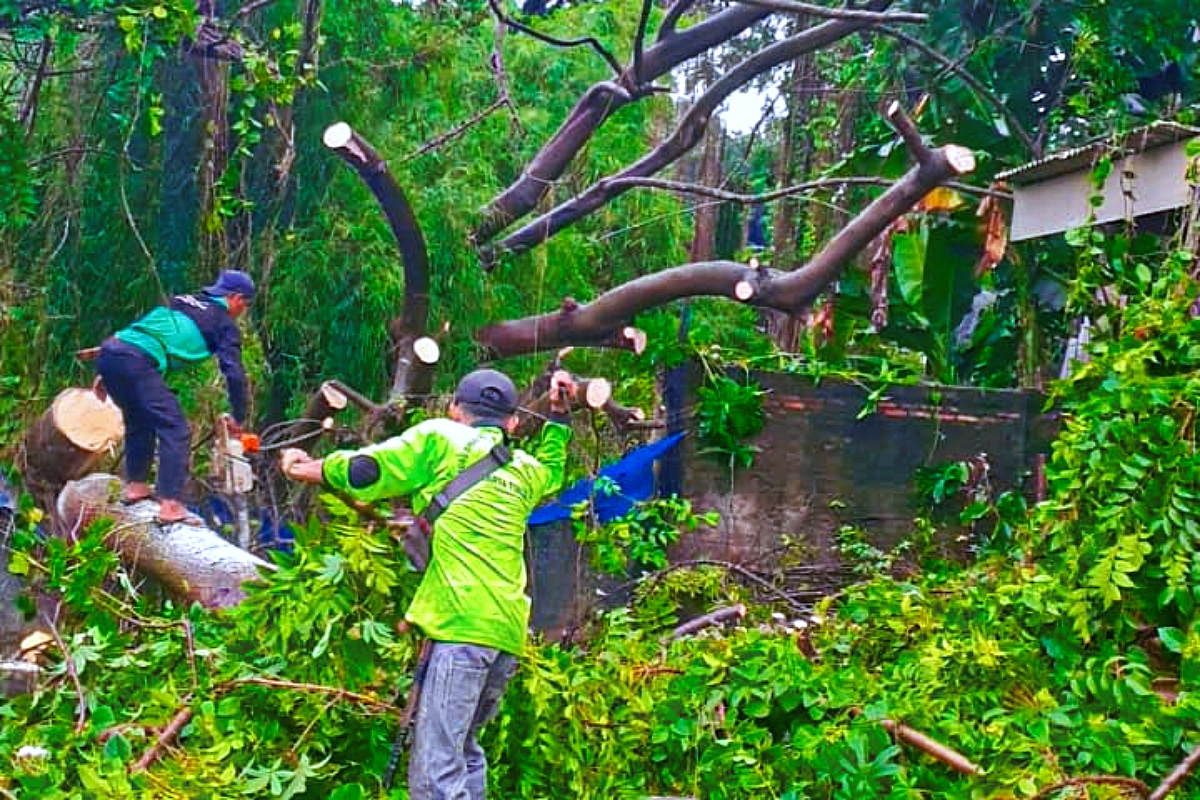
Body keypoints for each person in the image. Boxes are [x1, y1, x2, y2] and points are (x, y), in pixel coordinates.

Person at [279, 368, 574, 800]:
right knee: (465, 752)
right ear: (511, 423)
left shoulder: (439, 438)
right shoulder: (524, 470)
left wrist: (305, 467)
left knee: (436, 775)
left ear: (455, 409)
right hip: (506, 633)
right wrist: (559, 417)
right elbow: (553, 471)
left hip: (461, 628)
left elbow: (367, 471)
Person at [95, 270, 254, 526]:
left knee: (140, 419)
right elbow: (234, 373)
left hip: (111, 351)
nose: (242, 311)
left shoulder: (182, 300)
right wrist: (239, 415)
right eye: (245, 305)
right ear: (236, 298)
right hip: (137, 360)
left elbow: (143, 330)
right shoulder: (224, 324)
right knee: (176, 429)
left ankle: (136, 485)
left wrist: (107, 374)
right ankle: (170, 504)